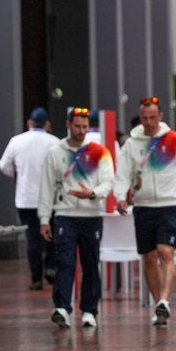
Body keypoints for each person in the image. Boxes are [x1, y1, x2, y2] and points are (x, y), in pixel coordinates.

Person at [114, 96, 176, 326]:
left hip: (169, 204)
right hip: (143, 206)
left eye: (153, 117)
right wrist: (120, 196)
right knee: (149, 257)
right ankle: (158, 304)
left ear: (160, 116)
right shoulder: (131, 144)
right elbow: (123, 173)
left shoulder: (174, 140)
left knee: (166, 252)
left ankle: (164, 301)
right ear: (140, 118)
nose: (149, 122)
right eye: (144, 118)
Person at [38, 106, 114, 329]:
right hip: (65, 214)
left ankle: (90, 310)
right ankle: (62, 307)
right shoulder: (55, 152)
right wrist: (44, 218)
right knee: (65, 262)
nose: (81, 131)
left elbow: (108, 182)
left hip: (91, 215)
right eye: (77, 126)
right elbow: (46, 187)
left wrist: (92, 193)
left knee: (91, 264)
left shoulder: (100, 152)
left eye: (84, 127)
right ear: (68, 125)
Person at [0, 106, 58, 291]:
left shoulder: (16, 141)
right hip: (50, 199)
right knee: (52, 235)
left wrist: (19, 175)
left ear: (29, 123)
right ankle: (50, 268)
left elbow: (4, 166)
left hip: (25, 199)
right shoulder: (54, 142)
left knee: (32, 238)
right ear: (48, 124)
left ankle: (36, 277)